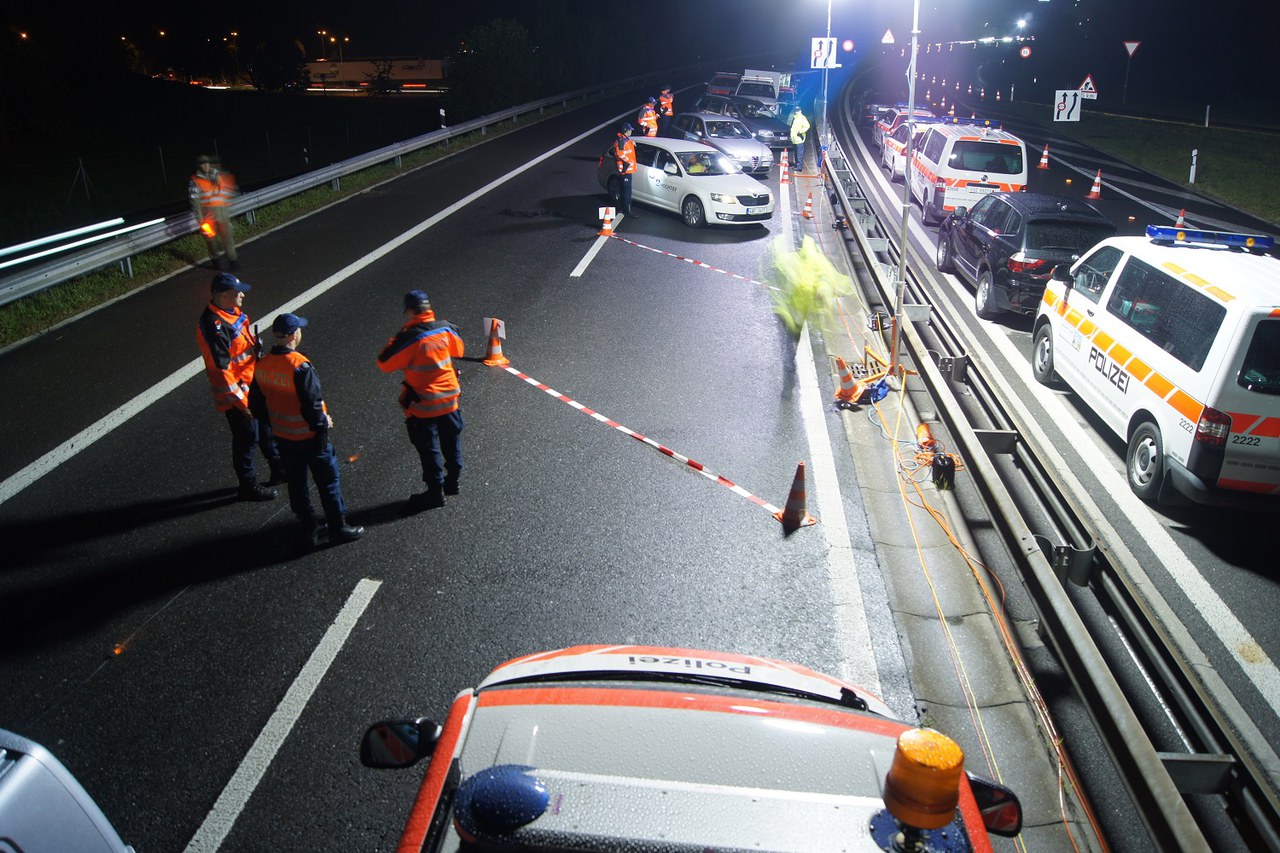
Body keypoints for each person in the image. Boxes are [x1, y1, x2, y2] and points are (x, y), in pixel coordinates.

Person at [255, 313, 364, 546]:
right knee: (328, 482)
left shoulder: (262, 365)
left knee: (297, 483)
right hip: (311, 437)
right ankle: (338, 527)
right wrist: (322, 425)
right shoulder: (300, 366)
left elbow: (257, 405)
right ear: (294, 335)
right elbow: (312, 405)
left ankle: (308, 526)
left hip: (284, 437)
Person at [196, 272, 284, 502]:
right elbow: (221, 370)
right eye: (237, 293)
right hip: (237, 394)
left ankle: (278, 468)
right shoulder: (214, 326)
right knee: (247, 439)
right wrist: (241, 403)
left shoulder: (230, 313)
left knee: (265, 428)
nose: (242, 295)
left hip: (252, 383)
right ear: (224, 296)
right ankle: (248, 485)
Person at [377, 290, 466, 516]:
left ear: (409, 310)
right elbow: (459, 350)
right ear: (428, 308)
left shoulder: (409, 337)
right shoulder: (446, 328)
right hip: (449, 401)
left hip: (424, 406)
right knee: (451, 441)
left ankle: (435, 492)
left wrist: (398, 339)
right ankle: (453, 482)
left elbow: (384, 363)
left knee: (429, 450)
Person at [189, 155, 239, 271]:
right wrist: (199, 219)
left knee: (228, 238)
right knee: (211, 241)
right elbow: (194, 200)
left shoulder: (217, 175)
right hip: (208, 217)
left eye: (207, 163)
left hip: (222, 213)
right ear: (199, 166)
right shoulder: (195, 180)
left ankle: (233, 261)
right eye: (202, 163)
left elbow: (226, 191)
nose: (206, 165)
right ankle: (215, 260)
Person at [611, 123, 638, 218]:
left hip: (626, 170)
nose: (631, 131)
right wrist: (628, 162)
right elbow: (620, 154)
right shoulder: (622, 141)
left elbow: (626, 150)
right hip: (625, 170)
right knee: (627, 191)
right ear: (627, 131)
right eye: (630, 130)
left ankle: (623, 208)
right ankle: (628, 210)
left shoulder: (625, 140)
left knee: (625, 190)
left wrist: (632, 143)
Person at [789, 106, 811, 174]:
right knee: (796, 153)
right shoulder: (795, 118)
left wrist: (800, 132)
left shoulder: (802, 118)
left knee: (799, 154)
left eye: (797, 110)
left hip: (799, 139)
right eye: (796, 110)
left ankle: (799, 167)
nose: (796, 111)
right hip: (794, 139)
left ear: (800, 110)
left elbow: (807, 126)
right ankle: (797, 165)